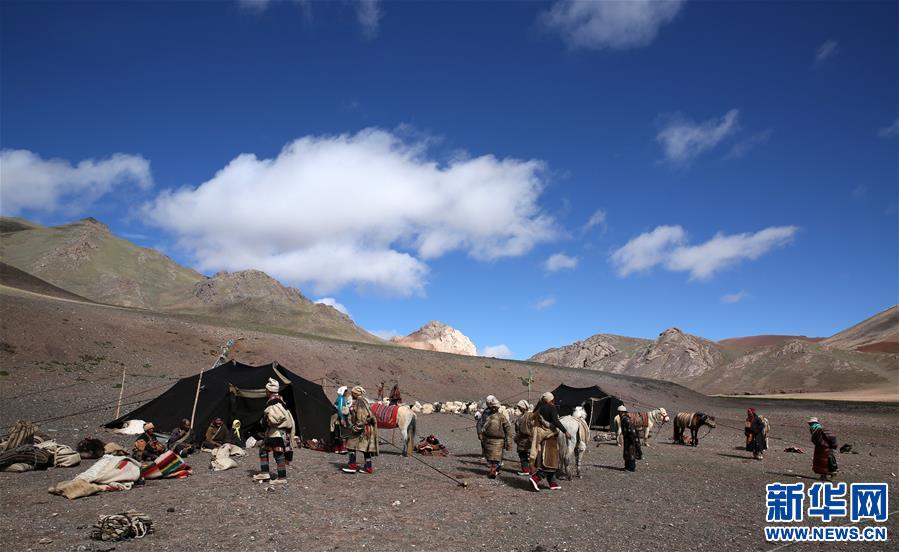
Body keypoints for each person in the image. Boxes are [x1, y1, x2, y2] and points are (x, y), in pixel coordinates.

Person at [528, 392, 571, 491]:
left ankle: (552, 483)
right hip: (550, 437)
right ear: (551, 400)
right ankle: (536, 478)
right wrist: (565, 431)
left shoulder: (539, 409)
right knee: (550, 460)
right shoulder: (552, 408)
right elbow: (555, 421)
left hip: (542, 436)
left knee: (548, 460)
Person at [258, 378, 296, 484]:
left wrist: (264, 421)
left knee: (278, 454)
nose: (265, 392)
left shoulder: (274, 402)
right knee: (263, 450)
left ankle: (282, 478)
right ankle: (265, 473)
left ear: (269, 390)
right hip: (278, 433)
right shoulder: (280, 400)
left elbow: (273, 419)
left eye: (266, 390)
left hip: (276, 432)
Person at [343, 386, 378, 474]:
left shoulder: (359, 402)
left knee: (350, 445)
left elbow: (361, 418)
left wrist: (355, 429)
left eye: (353, 393)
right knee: (365, 449)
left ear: (355, 394)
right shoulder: (365, 400)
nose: (351, 394)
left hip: (363, 429)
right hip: (367, 428)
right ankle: (368, 468)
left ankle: (352, 466)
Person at [479, 397, 512, 478]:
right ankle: (495, 469)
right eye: (492, 407)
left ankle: (493, 470)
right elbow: (483, 426)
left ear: (497, 407)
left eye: (495, 407)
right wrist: (481, 433)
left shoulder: (502, 417)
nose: (493, 408)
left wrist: (509, 441)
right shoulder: (488, 416)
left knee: (496, 457)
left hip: (499, 440)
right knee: (490, 456)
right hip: (488, 439)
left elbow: (508, 429)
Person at [617, 405, 642, 472]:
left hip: (631, 439)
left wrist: (632, 439)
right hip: (627, 438)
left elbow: (631, 430)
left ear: (622, 412)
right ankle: (627, 467)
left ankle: (631, 468)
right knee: (627, 452)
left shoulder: (626, 419)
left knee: (631, 453)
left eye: (619, 412)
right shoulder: (623, 418)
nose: (618, 413)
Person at [513, 399, 535, 476]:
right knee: (524, 454)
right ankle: (528, 470)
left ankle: (527, 470)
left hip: (526, 438)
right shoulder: (522, 416)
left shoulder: (529, 415)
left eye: (519, 407)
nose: (518, 408)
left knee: (525, 454)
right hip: (522, 438)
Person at [333, 386, 351, 454]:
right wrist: (342, 418)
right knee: (343, 432)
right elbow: (340, 408)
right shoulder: (341, 398)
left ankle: (337, 448)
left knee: (338, 432)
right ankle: (343, 448)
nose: (347, 392)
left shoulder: (341, 398)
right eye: (346, 391)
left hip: (340, 417)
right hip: (342, 417)